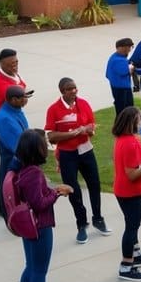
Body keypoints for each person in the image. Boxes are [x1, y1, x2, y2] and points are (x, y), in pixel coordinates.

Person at [13, 128, 73, 282]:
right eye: (43, 144)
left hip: (28, 227)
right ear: (35, 150)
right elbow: (39, 204)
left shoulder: (23, 169)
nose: (47, 147)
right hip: (40, 227)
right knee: (39, 270)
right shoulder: (35, 173)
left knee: (30, 266)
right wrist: (57, 193)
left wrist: (54, 190)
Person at [44, 77, 109, 244]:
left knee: (94, 184)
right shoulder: (54, 110)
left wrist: (88, 130)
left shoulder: (84, 104)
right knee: (73, 190)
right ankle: (81, 224)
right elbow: (51, 136)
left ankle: (98, 218)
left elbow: (91, 126)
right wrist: (73, 133)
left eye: (75, 88)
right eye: (69, 89)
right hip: (67, 155)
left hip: (86, 150)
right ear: (62, 91)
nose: (73, 91)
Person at [111, 106, 141, 281]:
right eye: (140, 119)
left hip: (123, 190)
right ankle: (126, 266)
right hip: (129, 192)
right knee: (131, 227)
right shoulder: (131, 143)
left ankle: (136, 254)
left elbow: (138, 163)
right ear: (133, 122)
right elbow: (131, 174)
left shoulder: (125, 139)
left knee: (132, 225)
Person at [0, 85, 32, 219]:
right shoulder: (4, 119)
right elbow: (17, 145)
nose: (25, 101)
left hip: (16, 154)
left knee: (8, 181)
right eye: (23, 98)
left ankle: (5, 208)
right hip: (13, 157)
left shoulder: (15, 109)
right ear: (13, 100)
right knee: (9, 183)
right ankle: (7, 212)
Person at [0, 48, 26, 115]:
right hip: (4, 119)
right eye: (11, 63)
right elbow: (18, 100)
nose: (15, 65)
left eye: (16, 62)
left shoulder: (15, 75)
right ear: (2, 64)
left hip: (16, 115)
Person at [106, 37, 136, 113]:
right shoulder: (118, 60)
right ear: (119, 48)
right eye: (126, 47)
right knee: (123, 112)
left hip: (121, 88)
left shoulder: (118, 57)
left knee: (127, 110)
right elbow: (124, 71)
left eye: (129, 47)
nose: (128, 49)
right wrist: (131, 68)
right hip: (121, 89)